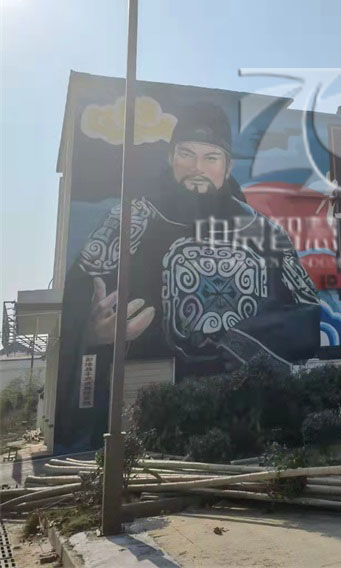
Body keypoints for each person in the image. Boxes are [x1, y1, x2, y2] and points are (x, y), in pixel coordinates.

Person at [55, 102, 320, 449]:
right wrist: (92, 333)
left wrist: (243, 339)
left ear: (227, 166)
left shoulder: (263, 230)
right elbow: (79, 296)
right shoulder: (131, 219)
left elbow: (308, 310)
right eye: (187, 154)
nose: (198, 168)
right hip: (155, 402)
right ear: (171, 157)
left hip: (248, 405)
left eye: (211, 157)